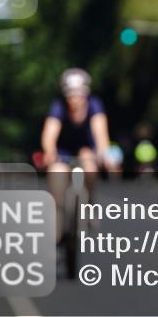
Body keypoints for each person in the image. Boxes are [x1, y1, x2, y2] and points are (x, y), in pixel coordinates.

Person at [40, 68, 114, 239]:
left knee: (89, 164)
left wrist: (103, 153)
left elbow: (101, 134)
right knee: (56, 173)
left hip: (86, 148)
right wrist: (49, 151)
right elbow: (49, 134)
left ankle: (89, 203)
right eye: (70, 94)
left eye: (78, 94)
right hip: (63, 150)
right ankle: (57, 221)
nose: (74, 99)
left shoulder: (94, 105)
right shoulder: (58, 106)